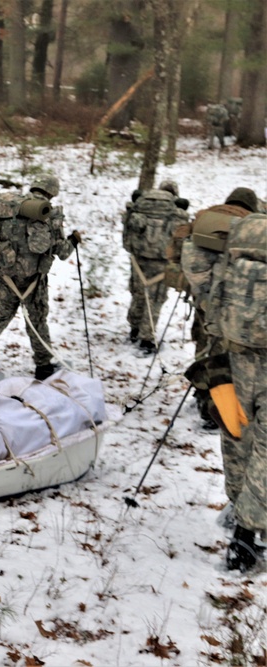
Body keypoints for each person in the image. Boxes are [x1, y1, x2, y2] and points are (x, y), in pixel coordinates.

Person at [181, 203, 265, 573]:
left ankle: (237, 507)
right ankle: (248, 536)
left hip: (230, 361)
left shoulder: (227, 259)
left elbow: (199, 281)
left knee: (236, 435)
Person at [0, 174, 81, 382]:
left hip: (8, 275)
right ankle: (43, 366)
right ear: (51, 192)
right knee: (37, 321)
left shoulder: (8, 209)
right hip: (34, 281)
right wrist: (73, 240)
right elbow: (62, 252)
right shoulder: (48, 214)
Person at [170, 187, 259, 428]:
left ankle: (201, 394)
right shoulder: (253, 225)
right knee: (225, 354)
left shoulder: (205, 217)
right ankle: (217, 407)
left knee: (202, 341)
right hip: (235, 304)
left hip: (203, 299)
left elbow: (175, 252)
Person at [122, 180, 190, 354]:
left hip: (139, 259)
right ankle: (146, 340)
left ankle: (134, 330)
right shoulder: (176, 212)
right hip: (162, 262)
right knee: (155, 299)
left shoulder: (142, 206)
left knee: (137, 293)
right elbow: (181, 240)